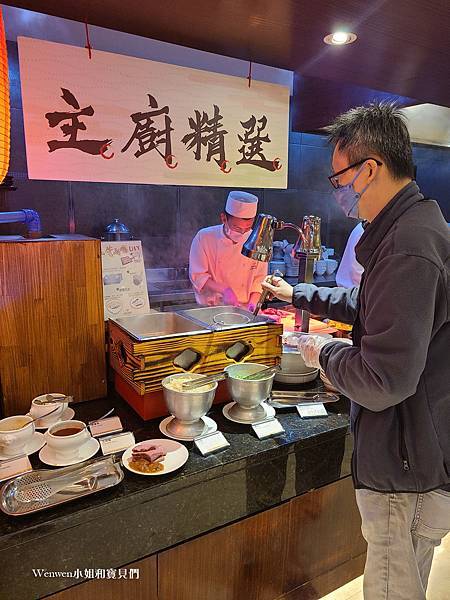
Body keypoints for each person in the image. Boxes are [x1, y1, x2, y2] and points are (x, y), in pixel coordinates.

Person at [262, 102, 450, 600]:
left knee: (391, 587)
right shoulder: (414, 228)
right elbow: (370, 303)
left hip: (404, 460)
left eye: (338, 179)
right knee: (408, 575)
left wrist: (322, 352)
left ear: (371, 168)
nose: (339, 193)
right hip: (421, 449)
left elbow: (384, 381)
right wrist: (297, 294)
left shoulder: (408, 245)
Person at [189, 191, 267, 309]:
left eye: (247, 229)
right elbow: (198, 277)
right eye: (237, 227)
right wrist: (225, 290)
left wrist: (252, 305)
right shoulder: (204, 237)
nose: (242, 233)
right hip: (211, 309)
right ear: (223, 218)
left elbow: (259, 280)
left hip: (244, 309)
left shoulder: (257, 241)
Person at [335, 221, 365, 287]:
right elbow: (357, 271)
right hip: (352, 290)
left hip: (352, 289)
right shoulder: (363, 230)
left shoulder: (363, 228)